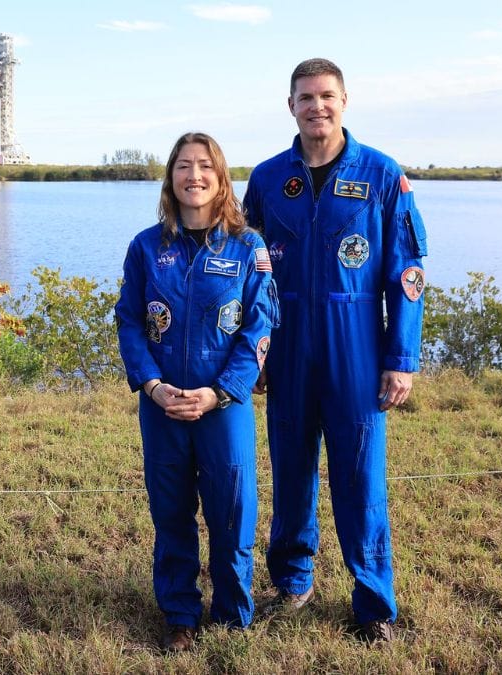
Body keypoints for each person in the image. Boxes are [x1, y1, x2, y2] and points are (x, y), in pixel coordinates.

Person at [241, 58, 428, 643]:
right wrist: (255, 356)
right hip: (289, 342)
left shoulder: (380, 174)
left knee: (360, 477)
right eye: (305, 97)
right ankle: (293, 583)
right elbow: (247, 273)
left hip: (356, 348)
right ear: (290, 105)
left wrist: (401, 357)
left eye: (326, 96)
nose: (316, 106)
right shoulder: (270, 179)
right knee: (290, 470)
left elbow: (407, 274)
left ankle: (373, 604)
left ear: (344, 101)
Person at [115, 132, 278, 652]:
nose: (194, 175)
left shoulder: (247, 246)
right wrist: (153, 385)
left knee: (232, 512)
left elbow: (260, 325)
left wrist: (220, 392)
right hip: (162, 403)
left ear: (221, 176)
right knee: (171, 511)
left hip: (222, 406)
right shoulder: (146, 247)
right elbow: (129, 322)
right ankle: (180, 615)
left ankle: (232, 615)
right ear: (170, 178)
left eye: (204, 165)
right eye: (183, 166)